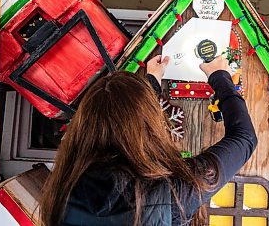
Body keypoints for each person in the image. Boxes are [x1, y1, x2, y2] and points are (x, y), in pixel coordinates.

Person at [39, 55, 257, 226]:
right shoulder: (172, 193)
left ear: (83, 126)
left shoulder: (63, 190)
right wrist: (220, 76)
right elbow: (244, 137)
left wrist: (151, 81)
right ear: (149, 124)